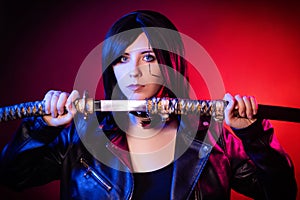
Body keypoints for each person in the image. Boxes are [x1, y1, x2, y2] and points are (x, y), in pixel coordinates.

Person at [0, 10, 297, 200]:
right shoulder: (80, 136)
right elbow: (13, 177)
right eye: (122, 59)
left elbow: (282, 194)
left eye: (149, 57)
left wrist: (254, 136)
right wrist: (40, 127)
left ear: (170, 64)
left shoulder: (214, 141)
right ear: (111, 68)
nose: (135, 72)